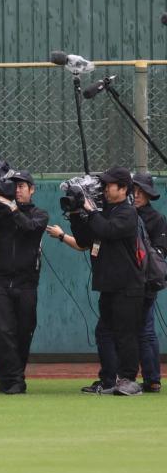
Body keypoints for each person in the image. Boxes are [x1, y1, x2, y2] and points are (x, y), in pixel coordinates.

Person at [67, 167, 146, 396]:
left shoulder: (127, 213)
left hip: (128, 286)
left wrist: (91, 211)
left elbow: (108, 230)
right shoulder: (103, 212)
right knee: (104, 332)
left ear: (122, 189)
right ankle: (108, 379)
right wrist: (75, 214)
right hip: (109, 286)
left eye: (109, 185)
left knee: (126, 333)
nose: (104, 188)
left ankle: (129, 379)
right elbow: (84, 240)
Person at [0, 170, 47, 394]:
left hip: (26, 282)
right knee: (3, 331)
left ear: (32, 189)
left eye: (22, 186)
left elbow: (29, 228)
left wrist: (12, 208)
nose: (17, 190)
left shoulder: (39, 214)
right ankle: (14, 380)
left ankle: (11, 377)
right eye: (14, 186)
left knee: (24, 331)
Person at [131, 172, 166, 392]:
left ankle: (152, 378)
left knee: (145, 329)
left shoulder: (156, 219)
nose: (135, 195)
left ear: (148, 195)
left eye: (140, 192)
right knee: (133, 330)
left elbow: (161, 252)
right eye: (133, 191)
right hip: (127, 280)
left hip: (146, 280)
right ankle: (128, 376)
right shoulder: (124, 215)